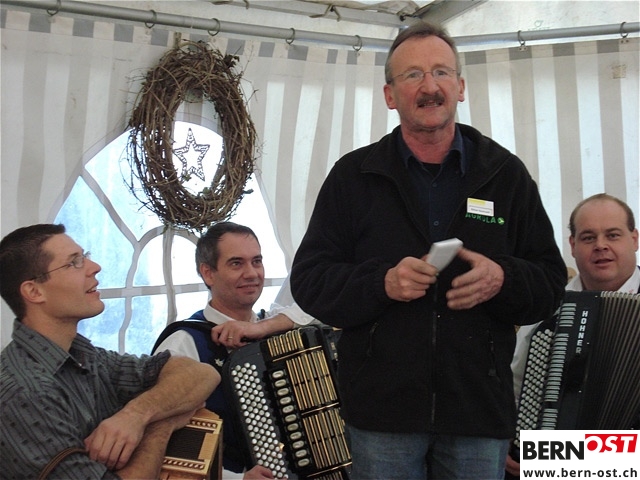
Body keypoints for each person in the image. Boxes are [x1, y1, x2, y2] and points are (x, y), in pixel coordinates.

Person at [289, 21, 567, 480]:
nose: (429, 86)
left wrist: (503, 279)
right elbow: (310, 280)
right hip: (382, 416)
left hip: (478, 411)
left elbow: (550, 282)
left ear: (460, 87)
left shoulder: (506, 174)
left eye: (441, 72)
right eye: (413, 75)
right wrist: (382, 282)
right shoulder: (353, 177)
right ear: (390, 95)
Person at [0, 223, 220, 480]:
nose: (95, 267)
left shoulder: (84, 356)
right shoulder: (23, 393)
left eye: (85, 256)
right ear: (34, 291)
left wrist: (135, 416)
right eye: (74, 262)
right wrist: (161, 425)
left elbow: (202, 374)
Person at [153, 221, 319, 480]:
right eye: (236, 263)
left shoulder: (273, 325)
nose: (252, 273)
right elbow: (161, 442)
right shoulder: (183, 342)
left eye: (257, 261)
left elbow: (326, 308)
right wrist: (237, 479)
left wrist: (264, 327)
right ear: (208, 273)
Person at [506, 192, 639, 477]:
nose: (601, 246)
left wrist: (553, 460)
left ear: (634, 239)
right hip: (558, 459)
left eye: (613, 235)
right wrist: (517, 441)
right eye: (588, 237)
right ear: (573, 245)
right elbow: (514, 386)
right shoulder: (550, 306)